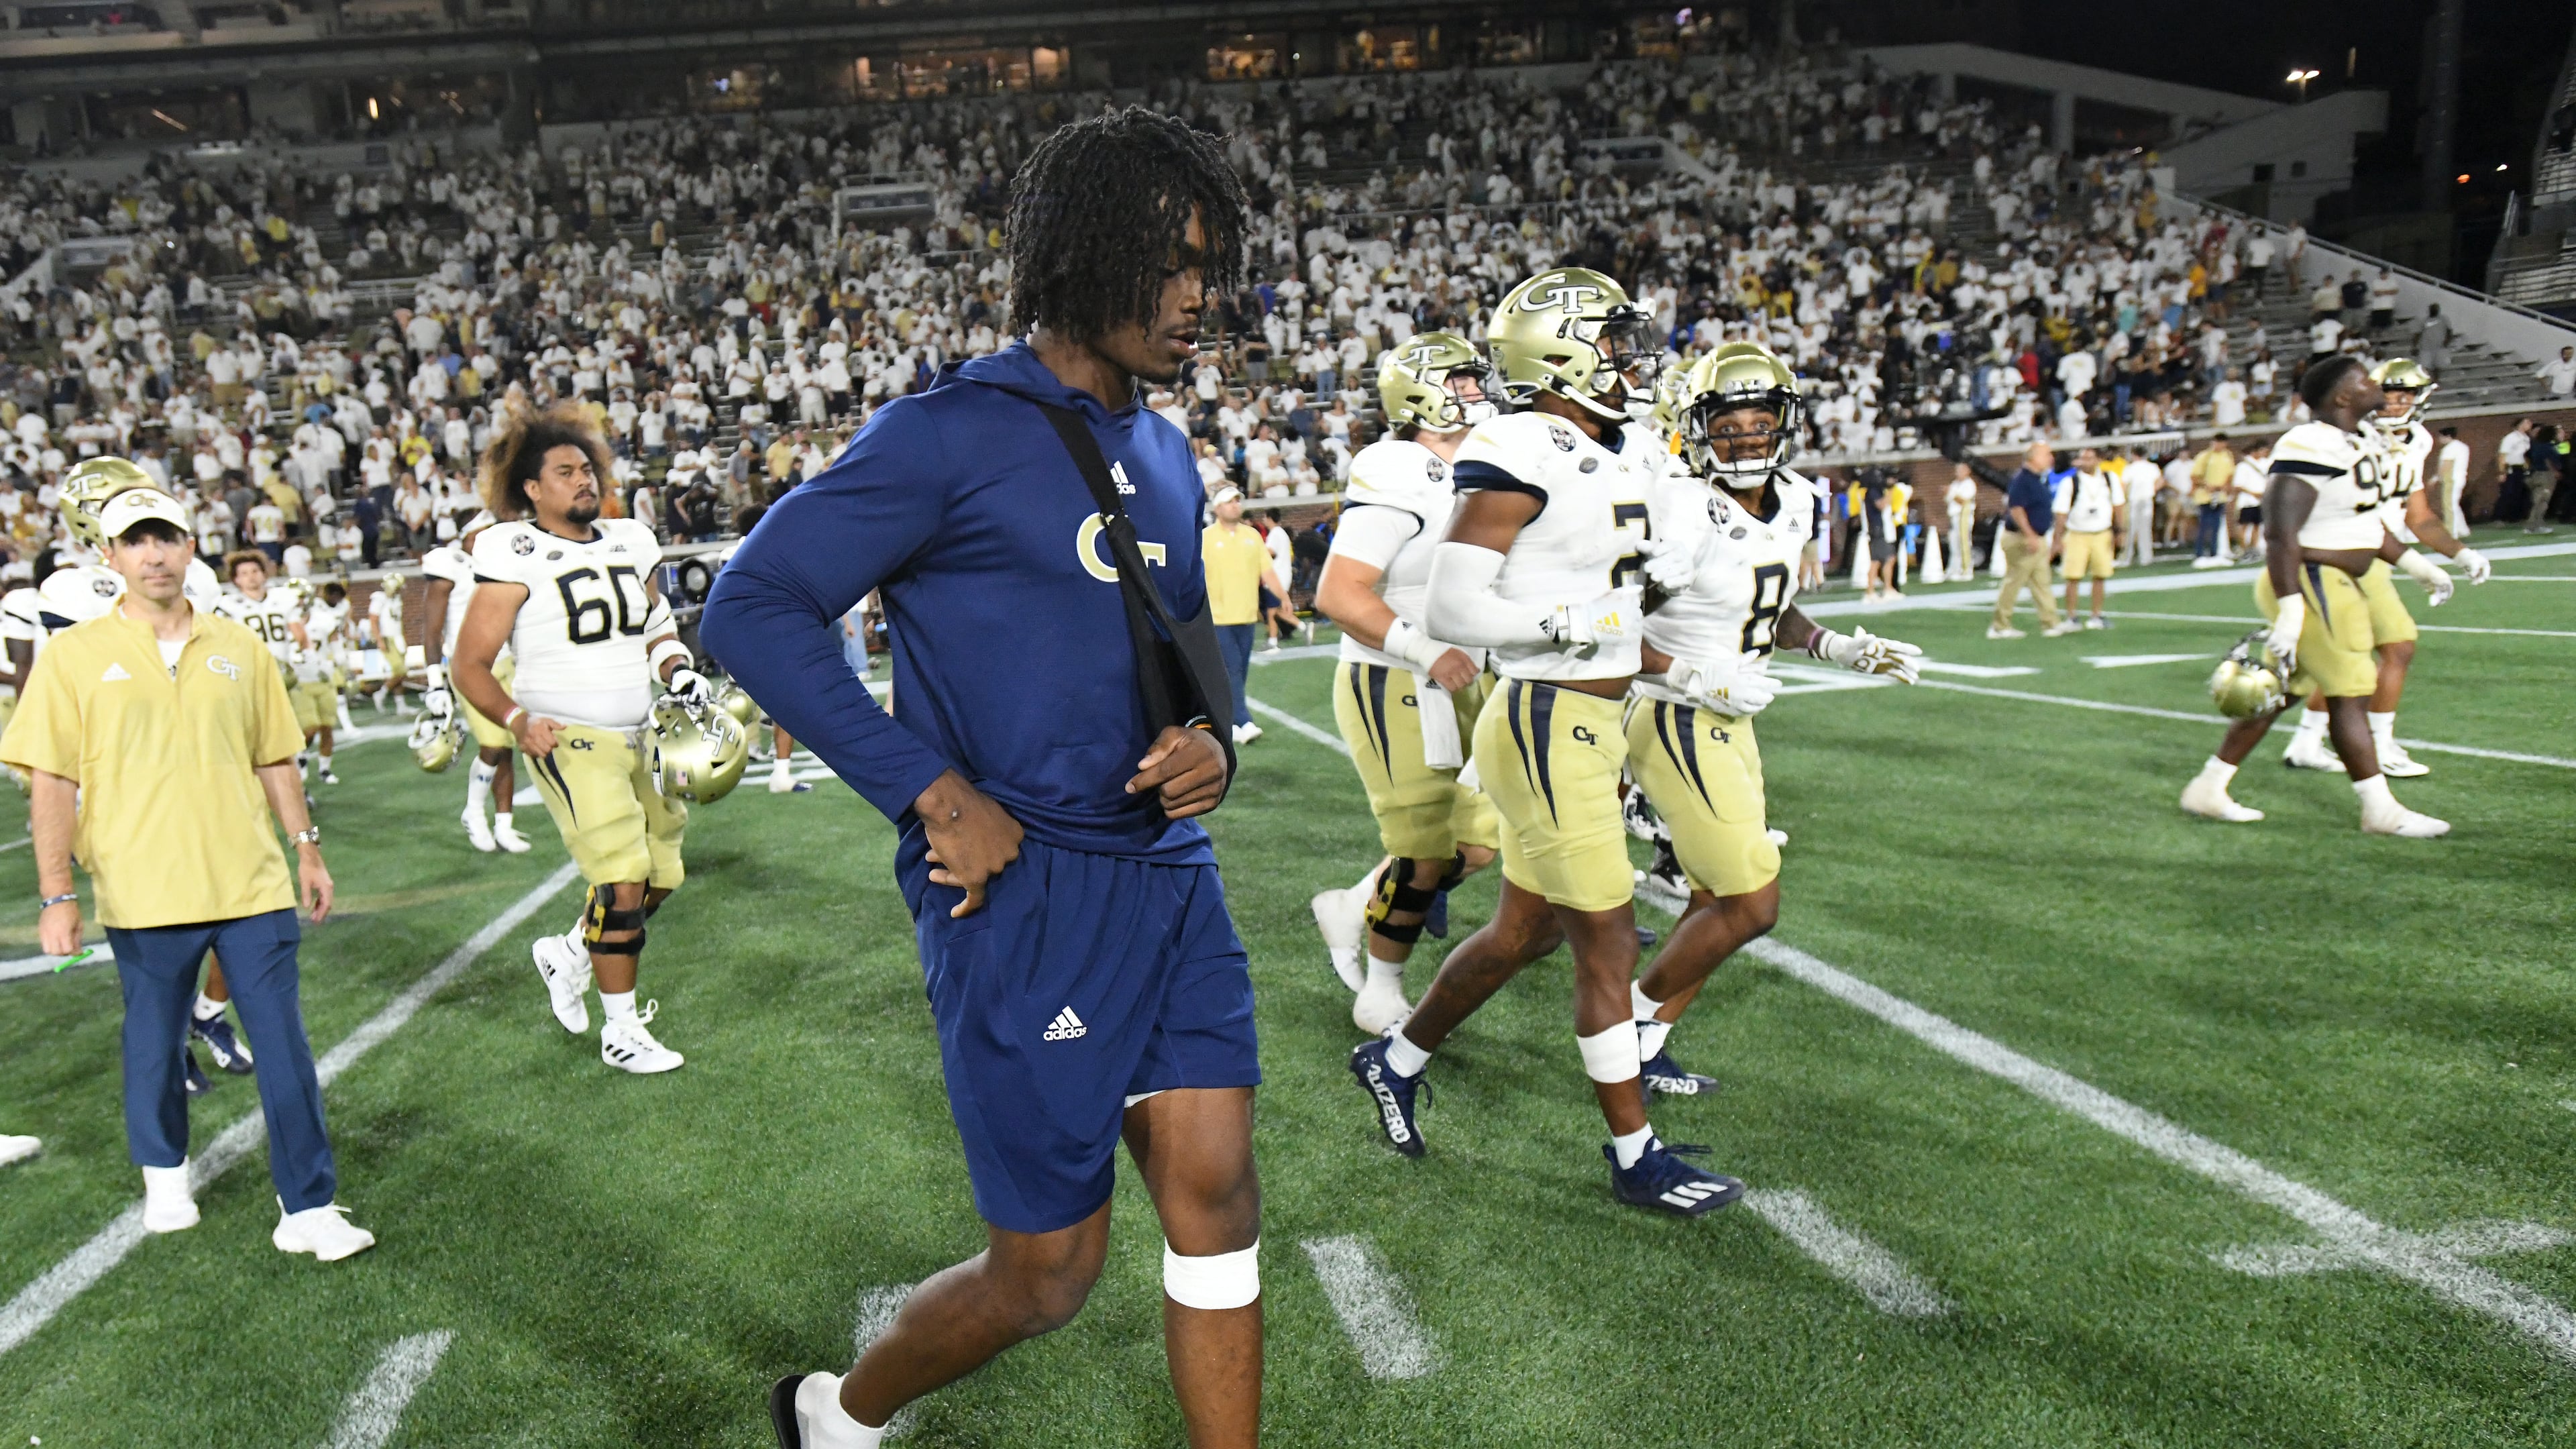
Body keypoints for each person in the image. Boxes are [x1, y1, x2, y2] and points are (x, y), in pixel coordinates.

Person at [702, 108, 1255, 1449]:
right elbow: (752, 605)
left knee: (1218, 1198)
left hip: (1170, 876)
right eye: (1171, 267)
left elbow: (1189, 662)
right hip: (1027, 895)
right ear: (1081, 257)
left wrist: (1214, 747)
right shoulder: (949, 435)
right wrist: (933, 793)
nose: (1201, 300)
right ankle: (838, 1416)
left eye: (1209, 268)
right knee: (1049, 1279)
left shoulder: (1173, 453)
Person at [1351, 265, 1745, 1218]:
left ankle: (1395, 1060)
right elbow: (1454, 603)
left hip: (1596, 714)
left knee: (1521, 932)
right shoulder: (1518, 442)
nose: (1630, 357)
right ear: (1563, 348)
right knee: (1604, 941)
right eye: (1612, 339)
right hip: (1542, 714)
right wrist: (1559, 621)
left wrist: (1688, 661)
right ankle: (1634, 1154)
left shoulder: (1631, 446)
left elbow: (1632, 583)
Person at [0, 487, 373, 1258]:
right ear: (110, 557)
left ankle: (308, 1206)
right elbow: (51, 784)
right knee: (153, 1042)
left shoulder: (240, 644)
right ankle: (165, 1173)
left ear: (189, 545)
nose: (155, 554)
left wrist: (306, 845)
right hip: (142, 889)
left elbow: (275, 753)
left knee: (285, 1047)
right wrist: (56, 895)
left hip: (250, 881)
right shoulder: (72, 656)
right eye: (136, 541)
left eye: (166, 537)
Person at [1629, 343, 1920, 1103]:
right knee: (1753, 903)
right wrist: (1692, 671)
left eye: (1764, 421)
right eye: (1731, 423)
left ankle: (1648, 1039)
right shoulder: (1681, 504)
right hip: (1675, 712)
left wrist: (1835, 645)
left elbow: (1767, 605)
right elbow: (1612, 630)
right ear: (1698, 429)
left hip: (1732, 713)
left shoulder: (1795, 498)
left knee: (1710, 895)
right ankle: (1624, 1031)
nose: (1750, 437)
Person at [452, 405, 700, 1075]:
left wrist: (678, 672)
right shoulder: (513, 550)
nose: (583, 480)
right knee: (621, 877)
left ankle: (567, 953)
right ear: (531, 489)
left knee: (661, 875)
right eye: (564, 472)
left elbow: (656, 628)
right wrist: (515, 720)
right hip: (567, 735)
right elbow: (469, 664)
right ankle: (621, 1032)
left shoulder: (630, 539)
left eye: (587, 469)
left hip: (641, 730)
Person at [1305, 333, 1501, 1034]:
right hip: (1396, 680)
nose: (1478, 392)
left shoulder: (1487, 462)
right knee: (1425, 854)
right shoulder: (1397, 468)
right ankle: (1381, 991)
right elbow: (1339, 591)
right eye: (1463, 381)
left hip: (1464, 674)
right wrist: (1422, 647)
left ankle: (1354, 900)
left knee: (1477, 849)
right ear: (1422, 393)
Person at [2180, 356, 2454, 837]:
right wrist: (2290, 610)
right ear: (2343, 396)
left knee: (2285, 690)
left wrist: (2416, 564)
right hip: (2311, 581)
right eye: (2365, 380)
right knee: (2351, 690)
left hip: (2332, 578)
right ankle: (2380, 810)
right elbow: (2281, 532)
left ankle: (2209, 786)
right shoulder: (2309, 441)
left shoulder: (2359, 440)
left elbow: (2363, 523)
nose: (2377, 386)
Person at [2279, 359, 2491, 777]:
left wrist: (2460, 553)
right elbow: (2352, 509)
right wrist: (2413, 562)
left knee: (2342, 658)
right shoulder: (2347, 435)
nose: (2397, 402)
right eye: (2390, 391)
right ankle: (2377, 744)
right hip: (2343, 552)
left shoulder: (2417, 440)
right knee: (2397, 646)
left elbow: (2417, 515)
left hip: (2374, 553)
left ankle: (2305, 741)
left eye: (2406, 393)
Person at [417, 511, 532, 853]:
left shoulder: (500, 565)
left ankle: (505, 824)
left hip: (506, 661)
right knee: (494, 746)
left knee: (508, 747)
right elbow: (431, 629)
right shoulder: (448, 563)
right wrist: (435, 682)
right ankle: (473, 813)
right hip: (471, 667)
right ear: (467, 535)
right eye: (485, 531)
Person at [1203, 486, 1284, 744]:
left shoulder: (1252, 536)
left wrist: (1283, 598)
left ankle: (1228, 722)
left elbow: (1267, 572)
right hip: (1218, 618)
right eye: (1229, 502)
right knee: (1233, 670)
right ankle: (1244, 720)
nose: (1235, 505)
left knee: (1239, 672)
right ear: (1217, 508)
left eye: (1238, 501)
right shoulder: (1204, 538)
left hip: (1247, 616)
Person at [1988, 442, 2067, 638]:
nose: (2051, 458)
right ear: (2033, 458)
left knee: (2042, 582)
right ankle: (2000, 625)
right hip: (2022, 538)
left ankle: (2050, 623)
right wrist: (2030, 535)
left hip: (2035, 538)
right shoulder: (2022, 480)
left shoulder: (2039, 479)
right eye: (2046, 454)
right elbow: (2016, 509)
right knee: (2015, 581)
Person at [2054, 445, 2123, 630]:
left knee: (2101, 575)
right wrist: (2058, 539)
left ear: (2098, 460)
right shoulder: (2070, 482)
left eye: (2089, 458)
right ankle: (2071, 616)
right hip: (2077, 533)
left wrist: (2120, 531)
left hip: (2102, 532)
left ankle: (2097, 615)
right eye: (2083, 459)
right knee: (2072, 577)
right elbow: (2061, 513)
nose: (2085, 462)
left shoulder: (2109, 479)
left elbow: (2118, 505)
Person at [2120, 443, 2162, 568]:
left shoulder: (2130, 468)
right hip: (2147, 500)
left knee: (2131, 530)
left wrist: (2123, 498)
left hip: (2134, 500)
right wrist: (2153, 490)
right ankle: (2146, 558)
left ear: (2134, 455)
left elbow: (2124, 485)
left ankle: (2127, 557)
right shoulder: (2152, 467)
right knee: (2146, 529)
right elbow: (2161, 481)